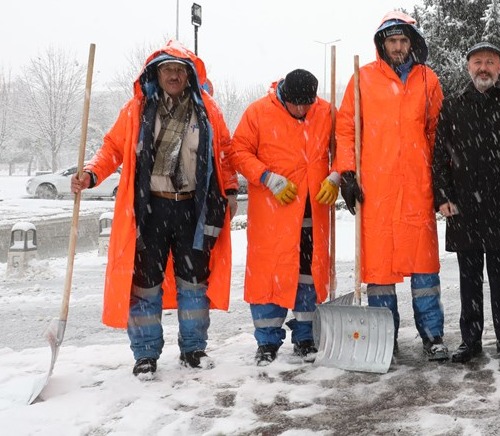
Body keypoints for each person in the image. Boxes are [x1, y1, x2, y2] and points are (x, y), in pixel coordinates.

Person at [70, 40, 238, 378]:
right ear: (156, 74)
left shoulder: (208, 110)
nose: (173, 75)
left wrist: (231, 188)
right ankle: (145, 353)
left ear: (189, 75)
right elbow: (112, 149)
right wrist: (90, 173)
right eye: (166, 69)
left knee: (193, 282)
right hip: (151, 211)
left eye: (179, 69)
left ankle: (193, 348)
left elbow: (225, 152)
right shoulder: (136, 110)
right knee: (145, 284)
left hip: (193, 209)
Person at [335, 11, 447, 360]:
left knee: (424, 268)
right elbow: (346, 130)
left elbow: (437, 134)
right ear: (381, 44)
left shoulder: (428, 80)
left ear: (412, 43)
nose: (398, 47)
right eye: (391, 41)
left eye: (403, 41)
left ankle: (433, 336)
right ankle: (387, 337)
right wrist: (347, 173)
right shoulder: (362, 79)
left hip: (417, 187)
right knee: (379, 269)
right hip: (377, 190)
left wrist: (439, 181)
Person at [431, 42, 500, 364]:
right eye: (478, 62)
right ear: (468, 67)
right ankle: (471, 341)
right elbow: (439, 158)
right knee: (469, 278)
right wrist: (443, 197)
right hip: (464, 207)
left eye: (490, 62)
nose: (483, 68)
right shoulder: (452, 107)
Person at [231, 69, 339, 365]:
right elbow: (238, 151)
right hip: (273, 216)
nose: (303, 110)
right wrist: (267, 177)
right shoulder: (259, 113)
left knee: (308, 276)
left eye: (308, 104)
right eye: (297, 105)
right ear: (284, 96)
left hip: (313, 212)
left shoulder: (326, 111)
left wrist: (336, 174)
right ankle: (267, 341)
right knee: (270, 275)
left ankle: (306, 336)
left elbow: (344, 146)